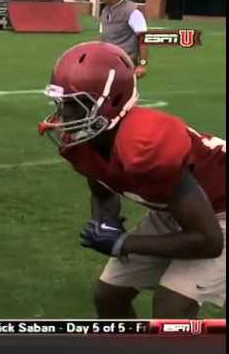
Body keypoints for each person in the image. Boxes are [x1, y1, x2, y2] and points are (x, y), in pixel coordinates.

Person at [38, 41, 225, 318]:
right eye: (63, 103)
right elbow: (102, 190)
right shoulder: (81, 143)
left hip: (219, 213)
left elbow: (209, 241)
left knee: (171, 305)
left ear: (112, 102)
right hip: (179, 210)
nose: (64, 115)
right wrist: (104, 222)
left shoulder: (146, 145)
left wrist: (123, 243)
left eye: (76, 105)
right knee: (109, 295)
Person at [99, 0, 148, 79]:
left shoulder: (132, 11)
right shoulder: (105, 10)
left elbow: (143, 38)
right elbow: (103, 37)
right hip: (107, 65)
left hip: (126, 65)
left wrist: (142, 65)